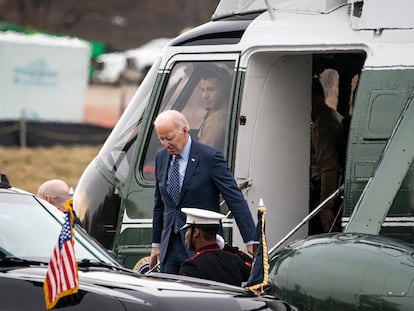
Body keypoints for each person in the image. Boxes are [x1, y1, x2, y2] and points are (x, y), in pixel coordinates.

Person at [150, 110, 256, 274]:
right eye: (161, 139)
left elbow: (234, 199)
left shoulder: (210, 157)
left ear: (184, 130)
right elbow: (159, 204)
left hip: (202, 246)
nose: (165, 144)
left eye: (169, 138)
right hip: (169, 246)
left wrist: (251, 239)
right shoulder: (161, 157)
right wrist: (156, 244)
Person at [179, 208, 251, 286]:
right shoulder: (233, 260)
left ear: (196, 232)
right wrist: (226, 247)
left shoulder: (191, 266)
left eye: (187, 230)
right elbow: (252, 267)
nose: (185, 235)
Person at [309, 78, 343, 234]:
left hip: (321, 190)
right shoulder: (331, 115)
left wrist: (326, 206)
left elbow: (329, 166)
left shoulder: (322, 124)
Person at [197, 65, 231, 152]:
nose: (204, 96)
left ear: (224, 90)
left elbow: (203, 158)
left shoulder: (216, 120)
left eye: (211, 90)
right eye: (203, 90)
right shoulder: (227, 111)